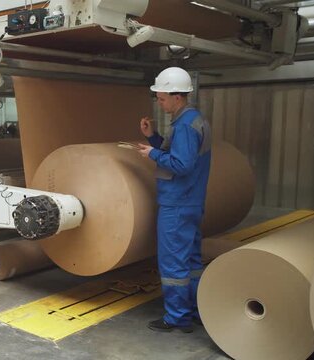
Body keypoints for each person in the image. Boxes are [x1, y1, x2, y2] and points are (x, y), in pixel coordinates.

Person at [136, 67, 212, 333]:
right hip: (190, 201)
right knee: (190, 261)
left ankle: (177, 318)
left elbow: (181, 164)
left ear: (178, 96)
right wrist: (152, 139)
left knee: (172, 263)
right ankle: (193, 310)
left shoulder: (185, 126)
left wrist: (151, 154)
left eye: (162, 97)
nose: (160, 101)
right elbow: (177, 153)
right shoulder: (190, 120)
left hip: (177, 204)